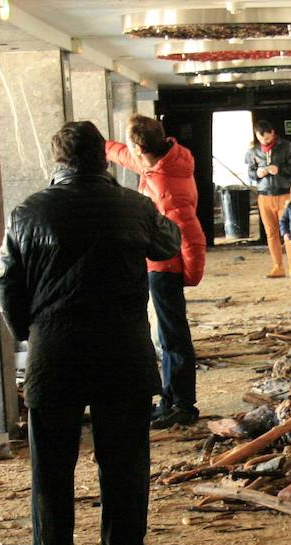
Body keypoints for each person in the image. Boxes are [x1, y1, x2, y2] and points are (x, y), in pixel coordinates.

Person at [0, 121, 180, 545]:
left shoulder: (26, 213)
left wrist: (31, 332)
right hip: (123, 354)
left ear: (57, 162)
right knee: (125, 464)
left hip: (54, 356)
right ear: (104, 159)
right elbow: (170, 244)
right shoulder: (134, 207)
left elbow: (5, 284)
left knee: (51, 468)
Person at [104, 114, 207, 428]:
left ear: (139, 146)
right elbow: (127, 157)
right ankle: (170, 399)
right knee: (165, 335)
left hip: (166, 267)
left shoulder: (165, 184)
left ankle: (182, 405)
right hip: (159, 265)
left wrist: (189, 273)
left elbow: (191, 234)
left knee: (172, 338)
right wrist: (102, 146)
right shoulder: (161, 163)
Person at [244, 120, 291, 278]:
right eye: (261, 139)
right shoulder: (254, 151)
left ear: (273, 133)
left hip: (284, 195)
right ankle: (278, 266)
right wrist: (257, 174)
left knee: (288, 232)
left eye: (268, 139)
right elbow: (249, 172)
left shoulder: (286, 146)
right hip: (264, 195)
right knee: (271, 233)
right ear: (256, 135)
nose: (265, 141)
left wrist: (280, 170)